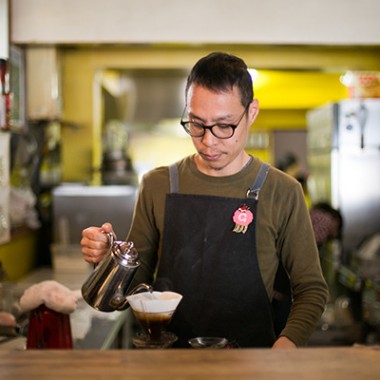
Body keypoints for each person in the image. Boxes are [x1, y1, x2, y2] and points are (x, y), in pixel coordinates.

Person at [81, 52, 328, 349]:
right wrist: (108, 263)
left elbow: (311, 289)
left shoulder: (282, 191)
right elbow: (132, 294)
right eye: (196, 124)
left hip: (252, 363)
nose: (208, 141)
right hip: (170, 363)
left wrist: (285, 347)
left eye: (224, 126)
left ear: (251, 113)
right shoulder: (157, 185)